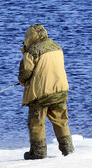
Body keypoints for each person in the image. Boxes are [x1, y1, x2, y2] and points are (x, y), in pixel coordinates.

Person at [18, 24, 74, 160]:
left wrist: (22, 80)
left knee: (36, 123)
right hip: (60, 90)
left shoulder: (32, 50)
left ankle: (38, 153)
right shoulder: (56, 46)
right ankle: (68, 150)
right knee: (61, 120)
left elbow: (25, 72)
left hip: (41, 94)